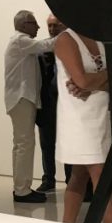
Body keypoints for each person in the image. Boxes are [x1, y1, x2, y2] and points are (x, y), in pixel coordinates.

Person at [55, 28, 112, 223]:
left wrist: (94, 82)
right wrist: (107, 78)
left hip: (101, 115)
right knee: (100, 174)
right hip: (79, 119)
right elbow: (81, 81)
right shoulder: (65, 39)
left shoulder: (100, 39)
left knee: (79, 175)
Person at [4, 10, 55, 203]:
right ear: (24, 25)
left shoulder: (20, 42)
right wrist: (69, 35)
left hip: (20, 99)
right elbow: (46, 45)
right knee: (25, 144)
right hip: (22, 98)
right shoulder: (20, 40)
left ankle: (21, 187)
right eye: (34, 23)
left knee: (21, 145)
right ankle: (22, 191)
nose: (39, 27)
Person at [36, 14, 72, 193]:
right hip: (47, 103)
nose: (52, 29)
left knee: (69, 143)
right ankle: (48, 179)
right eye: (49, 26)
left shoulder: (71, 47)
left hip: (67, 104)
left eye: (55, 25)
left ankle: (71, 180)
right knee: (47, 144)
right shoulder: (42, 49)